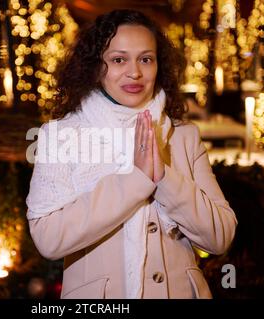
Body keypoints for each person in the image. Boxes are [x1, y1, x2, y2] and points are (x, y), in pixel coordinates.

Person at [26, 9, 237, 299]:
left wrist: (164, 178)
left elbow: (220, 236)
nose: (134, 72)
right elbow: (48, 239)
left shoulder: (184, 136)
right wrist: (136, 180)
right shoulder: (61, 136)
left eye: (146, 59)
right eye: (118, 59)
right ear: (95, 67)